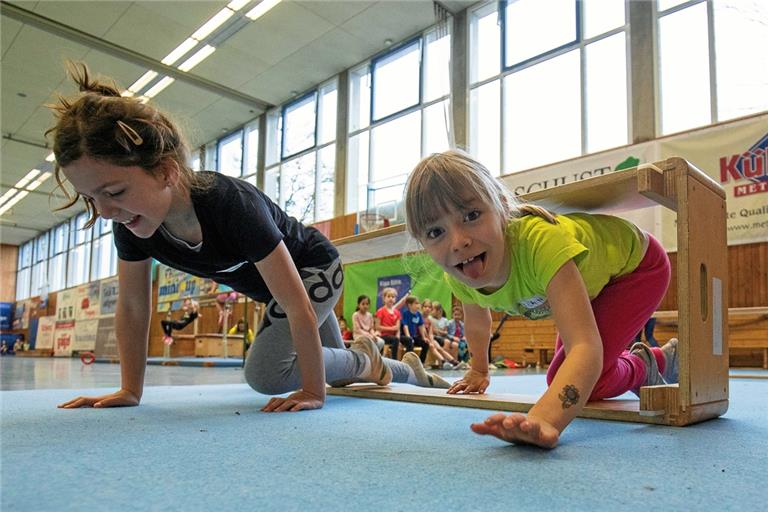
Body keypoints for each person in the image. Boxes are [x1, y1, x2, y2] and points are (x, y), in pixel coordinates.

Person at [51, 63, 448, 412]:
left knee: (269, 374)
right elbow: (134, 308)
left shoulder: (230, 204)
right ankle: (409, 371)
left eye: (114, 192)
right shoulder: (132, 226)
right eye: (91, 198)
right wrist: (129, 390)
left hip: (314, 268)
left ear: (167, 171)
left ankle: (364, 356)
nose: (103, 211)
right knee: (339, 369)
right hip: (282, 295)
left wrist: (313, 390)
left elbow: (296, 302)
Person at [404, 150, 679, 448]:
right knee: (576, 376)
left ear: (502, 208)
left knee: (584, 376)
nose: (459, 242)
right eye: (436, 232)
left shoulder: (540, 244)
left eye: (471, 216)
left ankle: (654, 363)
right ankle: (653, 361)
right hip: (593, 283)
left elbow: (584, 347)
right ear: (423, 244)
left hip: (637, 268)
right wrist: (479, 369)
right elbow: (477, 322)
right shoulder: (459, 275)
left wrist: (545, 418)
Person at [400, 296, 431, 363]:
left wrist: (424, 337)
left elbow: (421, 326)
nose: (418, 305)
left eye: (418, 303)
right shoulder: (406, 313)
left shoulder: (418, 314)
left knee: (425, 343)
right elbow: (405, 326)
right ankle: (408, 362)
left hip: (414, 336)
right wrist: (408, 336)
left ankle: (421, 363)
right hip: (404, 336)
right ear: (409, 305)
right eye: (416, 303)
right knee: (409, 341)